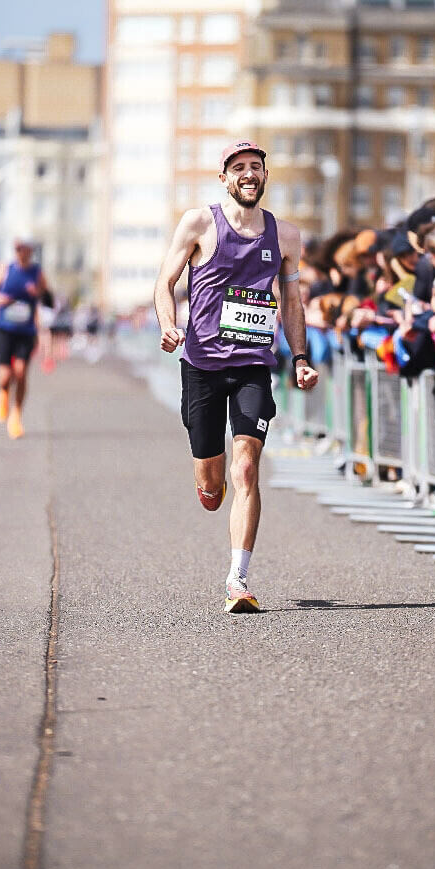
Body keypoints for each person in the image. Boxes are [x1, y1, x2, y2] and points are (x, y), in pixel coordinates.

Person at [154, 140, 318, 614]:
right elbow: (165, 282)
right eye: (239, 167)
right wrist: (168, 324)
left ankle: (237, 579)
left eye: (256, 167)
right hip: (202, 365)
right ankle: (210, 484)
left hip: (253, 365)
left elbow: (291, 302)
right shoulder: (199, 223)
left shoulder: (285, 236)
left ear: (265, 175)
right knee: (212, 485)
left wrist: (300, 357)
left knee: (246, 467)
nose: (248, 173)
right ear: (224, 178)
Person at [0, 237, 51, 440]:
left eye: (22, 249)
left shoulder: (37, 273)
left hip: (26, 330)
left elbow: (49, 300)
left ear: (30, 251)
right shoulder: (4, 269)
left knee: (21, 372)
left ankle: (16, 416)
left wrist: (38, 292)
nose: (19, 253)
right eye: (16, 249)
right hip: (5, 329)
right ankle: (3, 395)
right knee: (6, 375)